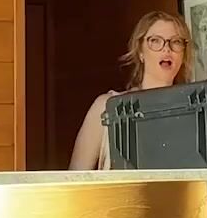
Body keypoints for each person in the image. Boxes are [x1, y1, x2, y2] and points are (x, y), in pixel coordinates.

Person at [69, 10, 190, 170]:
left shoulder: (193, 110)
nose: (166, 49)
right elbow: (74, 176)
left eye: (176, 42)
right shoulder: (106, 106)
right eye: (155, 41)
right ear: (140, 52)